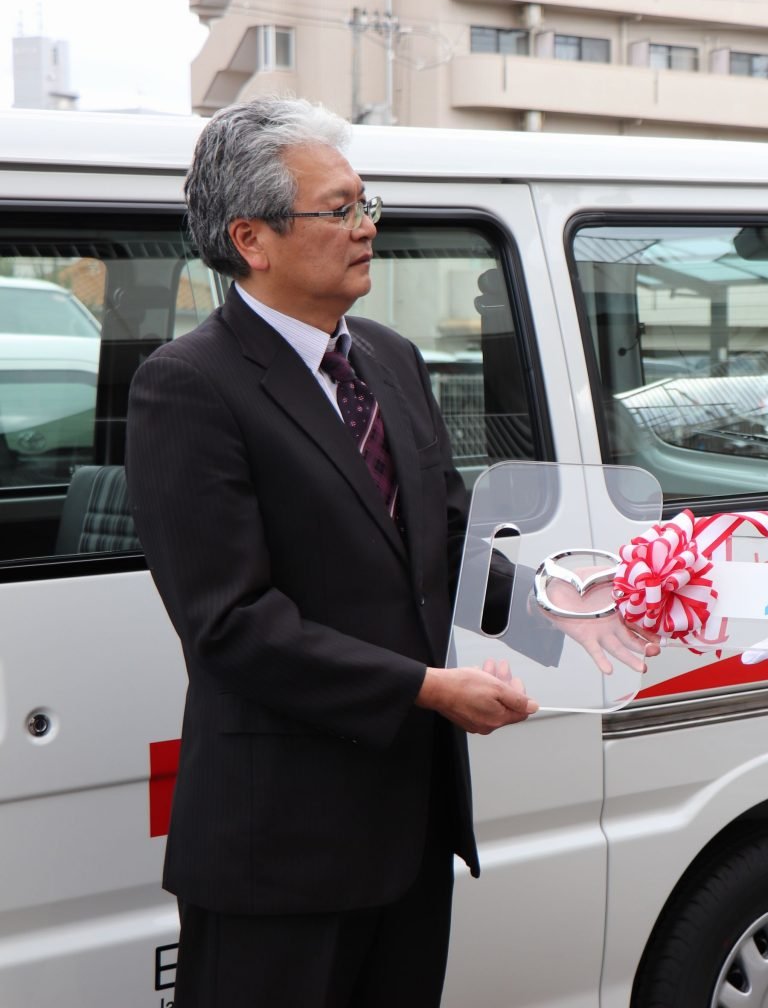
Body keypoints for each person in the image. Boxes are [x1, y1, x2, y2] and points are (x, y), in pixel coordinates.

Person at [126, 96, 539, 1007]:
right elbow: (231, 625)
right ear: (253, 239)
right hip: (279, 848)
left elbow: (452, 545)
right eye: (341, 209)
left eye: (367, 204)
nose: (367, 228)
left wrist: (604, 602)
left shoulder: (388, 358)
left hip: (411, 824)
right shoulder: (188, 388)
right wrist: (428, 688)